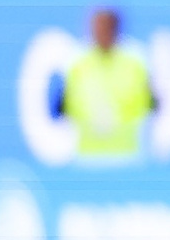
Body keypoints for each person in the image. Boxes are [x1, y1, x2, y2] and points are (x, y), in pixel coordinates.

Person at [49, 8, 157, 163]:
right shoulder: (76, 62)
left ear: (116, 29)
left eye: (105, 27)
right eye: (96, 27)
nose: (100, 33)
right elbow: (59, 107)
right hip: (87, 156)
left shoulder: (136, 61)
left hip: (127, 155)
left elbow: (154, 104)